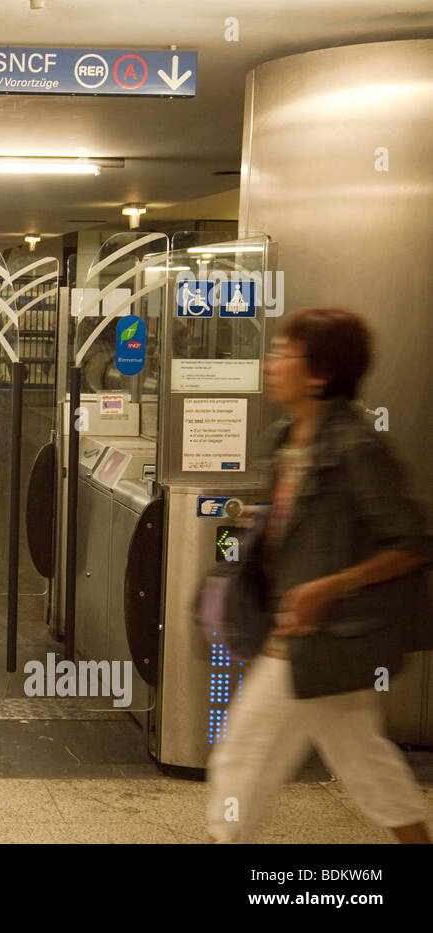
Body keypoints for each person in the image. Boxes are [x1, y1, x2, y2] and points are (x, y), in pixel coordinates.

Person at [205, 307, 431, 843]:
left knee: (240, 758)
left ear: (320, 374)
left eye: (284, 354)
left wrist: (333, 584)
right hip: (312, 641)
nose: (271, 364)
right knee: (367, 762)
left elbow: (413, 542)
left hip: (318, 639)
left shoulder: (356, 446)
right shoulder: (287, 440)